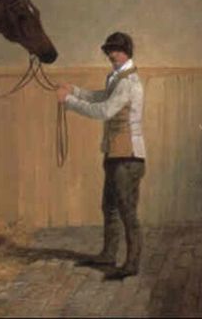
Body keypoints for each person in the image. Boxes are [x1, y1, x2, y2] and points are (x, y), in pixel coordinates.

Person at [56, 32, 146, 280]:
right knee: (110, 207)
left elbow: (104, 110)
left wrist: (70, 102)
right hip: (115, 154)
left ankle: (132, 264)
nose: (111, 55)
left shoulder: (128, 82)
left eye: (115, 50)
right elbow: (100, 97)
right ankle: (108, 254)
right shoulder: (117, 78)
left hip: (128, 157)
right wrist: (73, 90)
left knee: (127, 211)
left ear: (127, 51)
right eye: (109, 51)